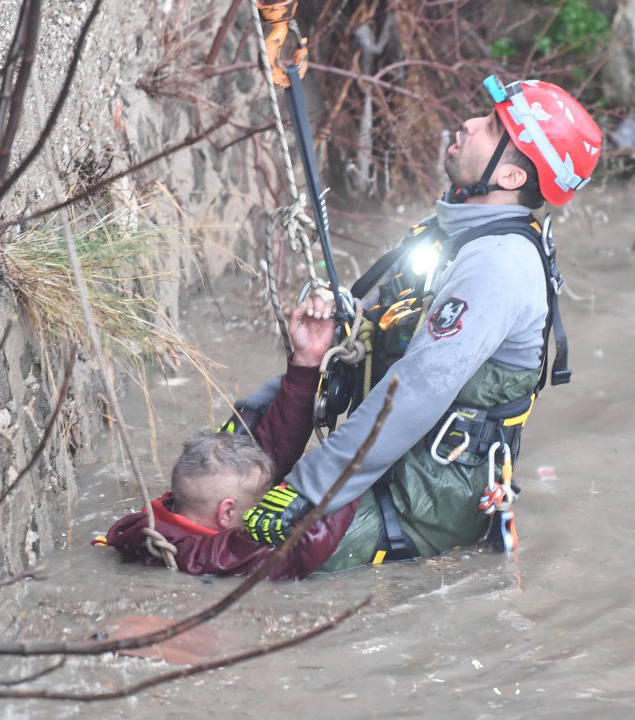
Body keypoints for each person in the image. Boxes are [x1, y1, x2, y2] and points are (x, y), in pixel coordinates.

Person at [243, 76, 602, 572]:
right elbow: (371, 337)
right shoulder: (449, 235)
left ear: (511, 177)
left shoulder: (498, 264)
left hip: (426, 507)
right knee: (207, 491)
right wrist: (267, 404)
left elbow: (415, 390)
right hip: (389, 468)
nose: (469, 123)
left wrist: (308, 488)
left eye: (491, 127)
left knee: (244, 556)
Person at [101, 294, 357, 579]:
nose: (270, 498)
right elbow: (300, 551)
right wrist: (358, 458)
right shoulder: (214, 558)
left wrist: (307, 361)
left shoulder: (152, 522)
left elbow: (266, 455)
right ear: (226, 513)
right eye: (264, 497)